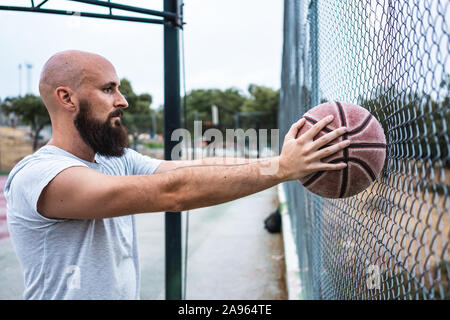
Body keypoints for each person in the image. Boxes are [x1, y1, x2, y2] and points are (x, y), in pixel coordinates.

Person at [4, 50, 349, 300]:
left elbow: (188, 169)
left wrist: (281, 159)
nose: (122, 101)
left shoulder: (115, 159)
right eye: (109, 89)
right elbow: (173, 192)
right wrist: (281, 169)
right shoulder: (40, 175)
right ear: (66, 98)